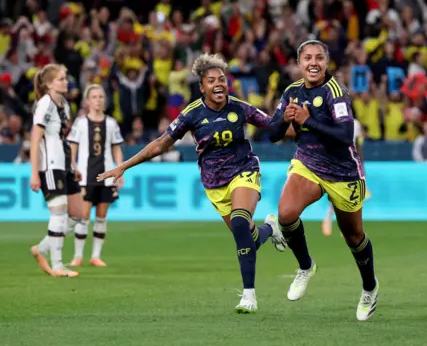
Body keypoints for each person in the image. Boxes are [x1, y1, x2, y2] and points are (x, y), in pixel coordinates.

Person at [97, 53, 287, 313]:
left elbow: (273, 128)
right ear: (202, 88)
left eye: (222, 79)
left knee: (241, 222)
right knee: (248, 237)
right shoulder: (192, 114)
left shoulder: (240, 107)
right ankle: (270, 228)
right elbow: (161, 144)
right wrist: (124, 166)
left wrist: (297, 121)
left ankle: (249, 296)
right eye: (212, 80)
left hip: (244, 170)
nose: (219, 84)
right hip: (214, 183)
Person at [267, 40, 378, 321]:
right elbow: (272, 133)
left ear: (326, 62)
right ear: (299, 63)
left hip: (343, 173)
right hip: (308, 164)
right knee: (286, 214)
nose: (313, 63)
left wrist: (307, 120)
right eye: (307, 58)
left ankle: (369, 288)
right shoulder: (292, 91)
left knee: (354, 237)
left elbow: (344, 136)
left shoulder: (336, 93)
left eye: (319, 58)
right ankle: (305, 266)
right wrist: (284, 120)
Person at [28, 64, 84, 278]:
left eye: (65, 78)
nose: (66, 81)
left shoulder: (65, 105)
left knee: (78, 215)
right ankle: (58, 265)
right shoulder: (44, 105)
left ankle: (41, 249)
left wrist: (74, 167)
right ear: (49, 84)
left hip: (65, 165)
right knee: (58, 214)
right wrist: (35, 173)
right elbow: (35, 140)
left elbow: (64, 139)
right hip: (50, 166)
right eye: (61, 78)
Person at [68, 84, 125, 267]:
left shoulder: (111, 123)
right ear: (87, 101)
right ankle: (77, 256)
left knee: (101, 216)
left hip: (106, 175)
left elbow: (116, 148)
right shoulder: (80, 123)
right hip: (85, 176)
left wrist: (120, 169)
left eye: (100, 97)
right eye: (94, 97)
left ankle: (95, 256)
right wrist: (73, 167)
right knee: (83, 216)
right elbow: (72, 148)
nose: (98, 100)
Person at [321, 118, 369, 237]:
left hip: (351, 163)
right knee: (340, 195)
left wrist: (361, 164)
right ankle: (332, 218)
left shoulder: (355, 123)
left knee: (354, 195)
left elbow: (357, 145)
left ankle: (349, 227)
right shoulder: (330, 122)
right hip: (337, 162)